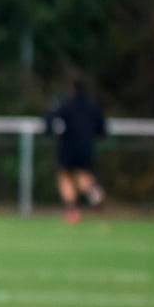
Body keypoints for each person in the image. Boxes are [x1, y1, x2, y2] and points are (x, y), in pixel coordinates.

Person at [46, 75, 107, 223]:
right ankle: (94, 193)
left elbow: (50, 124)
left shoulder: (63, 105)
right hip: (86, 146)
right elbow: (102, 129)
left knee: (65, 177)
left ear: (71, 89)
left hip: (67, 146)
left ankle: (72, 210)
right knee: (82, 175)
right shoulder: (93, 106)